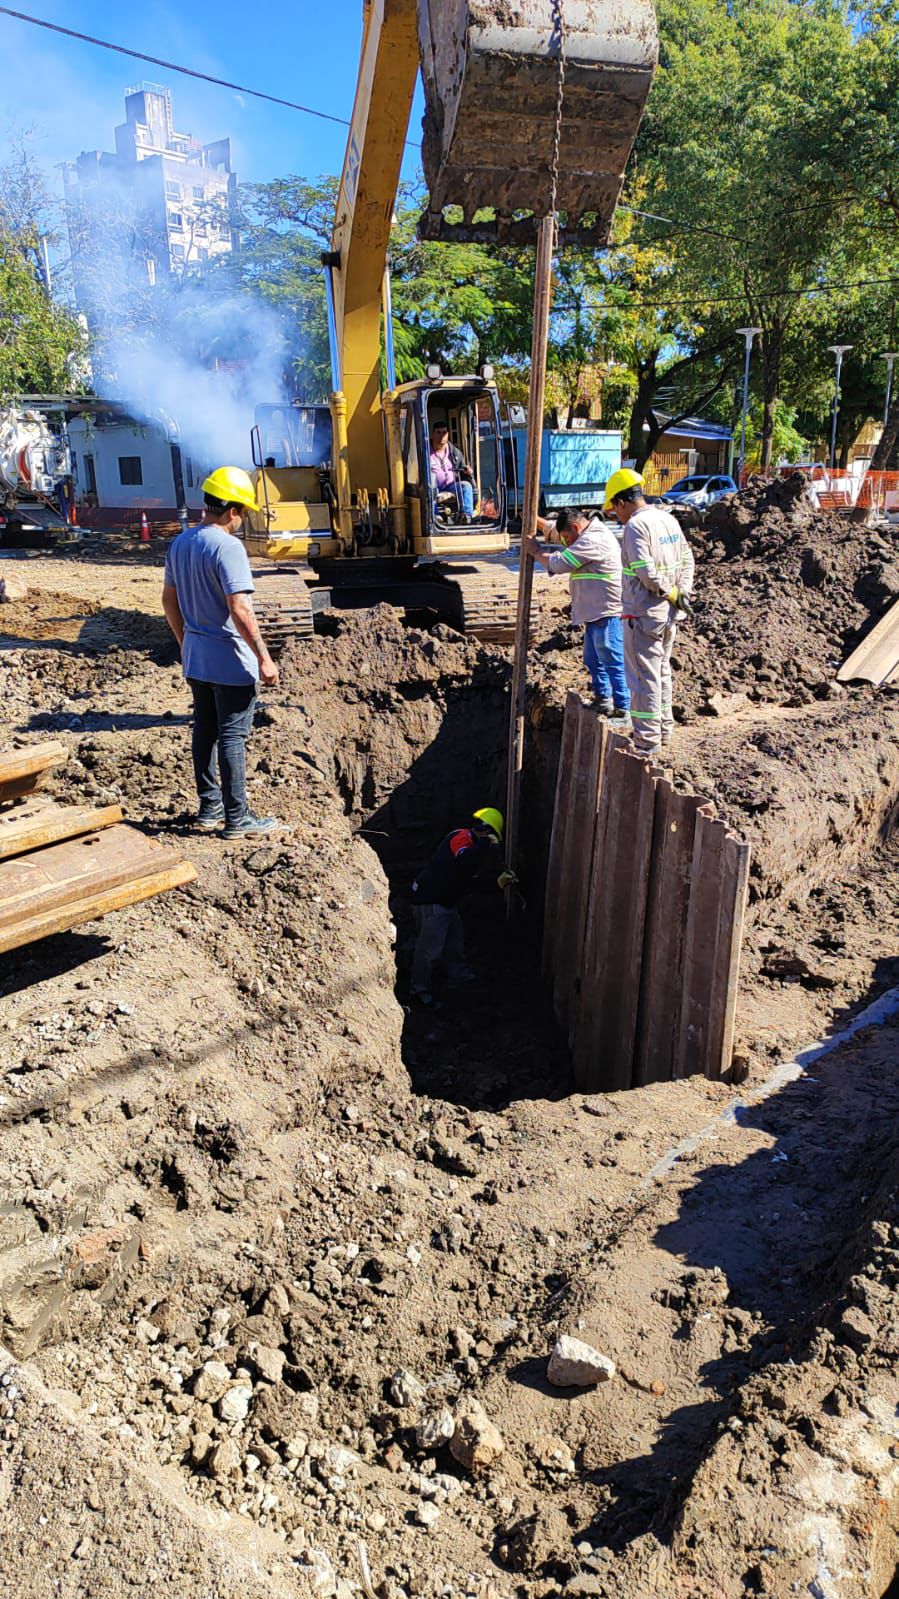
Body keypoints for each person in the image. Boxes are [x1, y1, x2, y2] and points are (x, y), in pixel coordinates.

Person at [162, 465, 281, 839]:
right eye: (242, 511)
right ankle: (237, 817)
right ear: (231, 510)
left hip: (197, 657)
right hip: (229, 659)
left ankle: (209, 809)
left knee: (205, 729)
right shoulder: (228, 547)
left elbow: (169, 601)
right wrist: (263, 655)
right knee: (232, 735)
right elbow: (240, 609)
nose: (242, 519)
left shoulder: (181, 542)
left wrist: (185, 642)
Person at [604, 468, 695, 758]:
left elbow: (646, 571)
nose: (616, 516)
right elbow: (687, 559)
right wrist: (681, 593)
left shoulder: (635, 526)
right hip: (669, 614)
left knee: (644, 679)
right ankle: (664, 728)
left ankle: (646, 740)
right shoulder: (667, 519)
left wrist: (668, 591)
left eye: (614, 509)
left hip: (644, 613)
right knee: (661, 671)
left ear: (621, 502)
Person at [526, 507, 631, 723]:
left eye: (567, 537)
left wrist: (535, 551)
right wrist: (530, 518)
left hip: (607, 610)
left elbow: (559, 563)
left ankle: (623, 708)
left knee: (611, 657)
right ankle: (603, 700)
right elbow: (555, 532)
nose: (565, 541)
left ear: (575, 527)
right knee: (593, 660)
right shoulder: (582, 533)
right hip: (594, 612)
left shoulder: (593, 540)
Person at [409, 807, 515, 1006]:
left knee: (454, 942)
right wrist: (485, 843)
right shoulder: (461, 837)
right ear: (486, 830)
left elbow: (467, 882)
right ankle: (419, 991)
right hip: (432, 901)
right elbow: (465, 859)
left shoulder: (474, 849)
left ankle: (458, 975)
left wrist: (497, 883)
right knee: (429, 950)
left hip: (447, 901)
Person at [429, 425, 475, 523]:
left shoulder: (454, 452)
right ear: (432, 434)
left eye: (444, 432)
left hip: (451, 485)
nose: (442, 435)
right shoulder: (425, 452)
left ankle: (466, 516)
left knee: (466, 486)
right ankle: (435, 516)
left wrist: (467, 472)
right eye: (438, 432)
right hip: (434, 487)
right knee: (431, 485)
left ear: (448, 435)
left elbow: (463, 468)